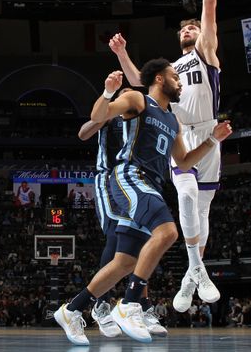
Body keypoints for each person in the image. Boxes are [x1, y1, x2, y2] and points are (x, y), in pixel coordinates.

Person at [55, 60, 232, 345]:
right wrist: (107, 92)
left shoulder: (173, 120)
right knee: (168, 231)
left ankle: (71, 309)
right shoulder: (138, 99)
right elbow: (99, 115)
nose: (181, 83)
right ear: (160, 79)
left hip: (152, 184)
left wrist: (212, 139)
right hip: (130, 175)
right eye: (176, 77)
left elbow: (184, 162)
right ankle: (130, 303)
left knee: (125, 261)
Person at [109, 0, 226, 313]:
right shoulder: (170, 70)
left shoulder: (206, 53)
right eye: (183, 28)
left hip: (209, 133)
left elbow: (209, 5)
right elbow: (140, 84)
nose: (188, 29)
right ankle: (196, 268)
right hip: (182, 136)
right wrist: (123, 54)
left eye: (192, 26)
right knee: (187, 195)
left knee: (203, 211)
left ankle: (192, 278)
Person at [77, 89, 166, 338]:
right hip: (109, 178)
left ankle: (139, 304)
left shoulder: (144, 120)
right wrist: (100, 118)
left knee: (139, 243)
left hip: (136, 181)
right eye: (124, 94)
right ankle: (101, 304)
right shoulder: (110, 114)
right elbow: (83, 134)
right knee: (116, 238)